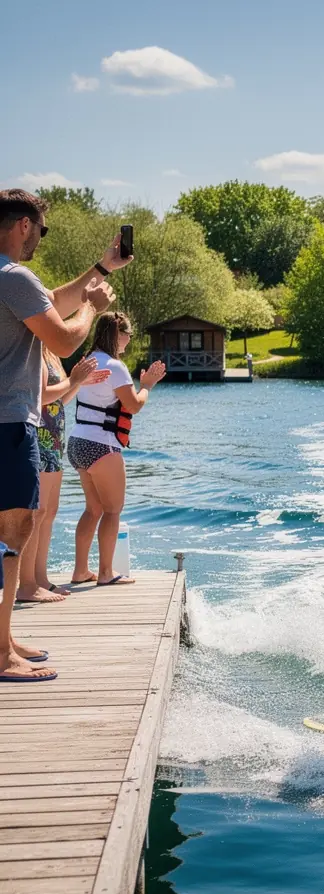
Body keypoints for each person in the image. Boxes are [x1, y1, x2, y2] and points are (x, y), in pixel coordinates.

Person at [0, 187, 126, 683]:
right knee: (14, 531)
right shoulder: (13, 275)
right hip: (10, 422)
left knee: (15, 528)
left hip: (9, 421)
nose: (39, 242)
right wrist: (93, 310)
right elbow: (64, 335)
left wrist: (103, 269)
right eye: (40, 231)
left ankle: (4, 637)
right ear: (24, 226)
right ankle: (1, 655)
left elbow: (51, 301)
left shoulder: (10, 281)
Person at [68, 312, 165, 586]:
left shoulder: (86, 361)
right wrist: (146, 386)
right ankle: (106, 573)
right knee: (112, 510)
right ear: (117, 334)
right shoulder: (116, 366)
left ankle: (80, 571)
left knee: (93, 509)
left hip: (78, 442)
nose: (129, 340)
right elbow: (133, 405)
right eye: (128, 334)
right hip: (102, 444)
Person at [15, 350, 110, 602]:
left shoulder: (52, 354)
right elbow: (41, 396)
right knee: (39, 511)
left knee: (49, 511)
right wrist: (73, 379)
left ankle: (41, 578)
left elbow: (59, 401)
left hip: (54, 440)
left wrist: (78, 382)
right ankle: (29, 583)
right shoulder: (34, 351)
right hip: (40, 436)